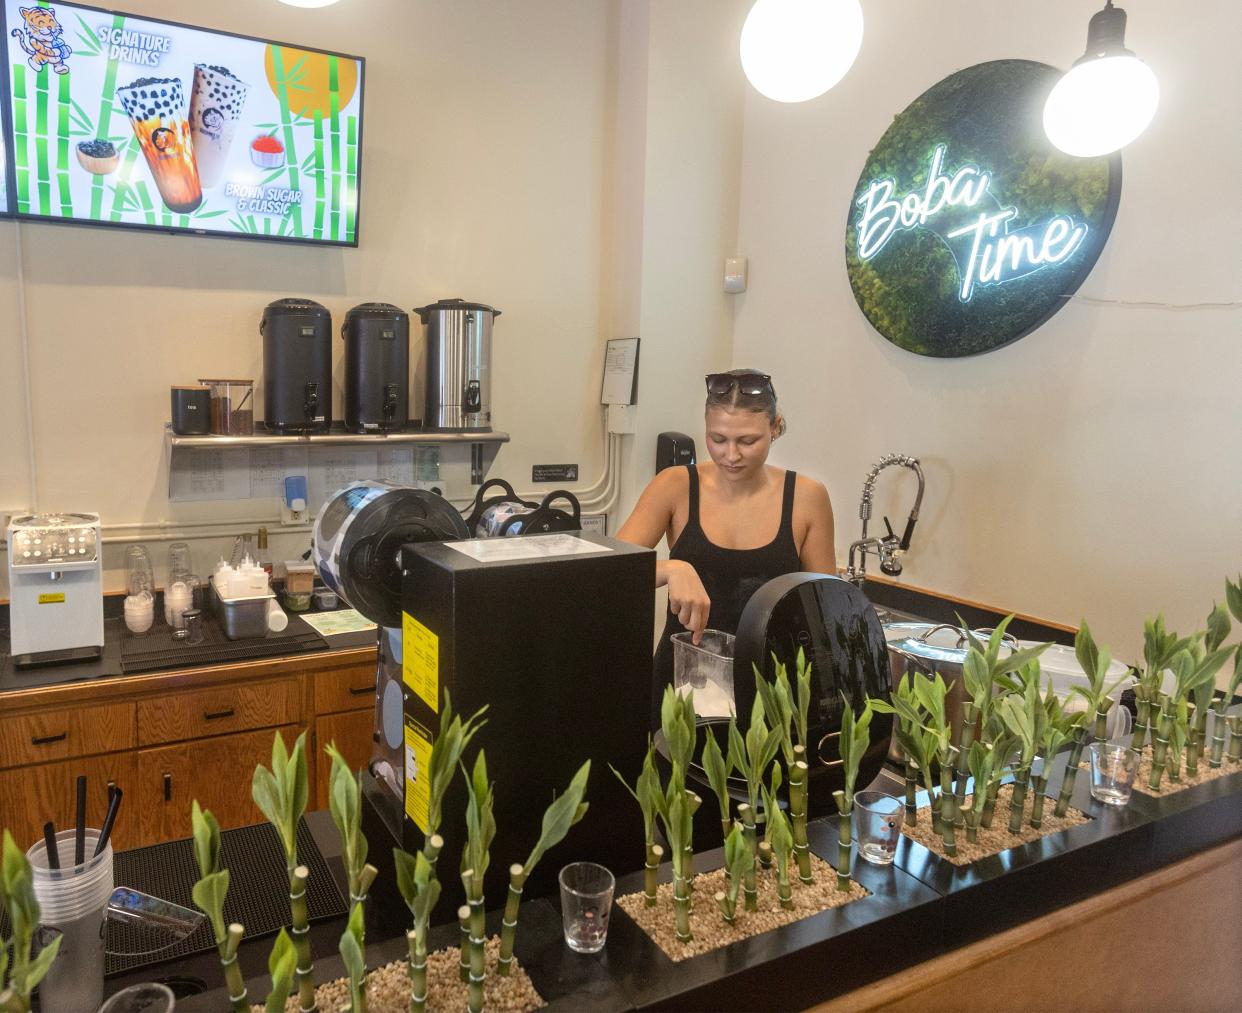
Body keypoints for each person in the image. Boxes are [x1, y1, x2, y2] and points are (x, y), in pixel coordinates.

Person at [617, 369, 837, 723]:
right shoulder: (674, 486)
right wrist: (672, 568)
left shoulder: (807, 498)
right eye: (717, 439)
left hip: (772, 690)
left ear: (775, 427)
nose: (730, 454)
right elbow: (611, 572)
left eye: (747, 441)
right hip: (686, 685)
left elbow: (827, 607)